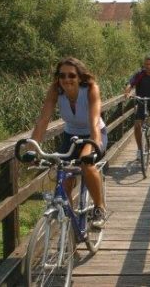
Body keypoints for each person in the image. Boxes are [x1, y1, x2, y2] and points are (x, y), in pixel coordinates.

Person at [30, 57, 108, 228]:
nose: (66, 79)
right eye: (62, 75)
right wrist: (32, 149)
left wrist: (94, 147)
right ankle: (70, 225)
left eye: (72, 75)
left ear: (80, 77)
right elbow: (43, 120)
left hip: (93, 133)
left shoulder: (90, 89)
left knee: (87, 164)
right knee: (63, 176)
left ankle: (99, 208)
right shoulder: (55, 90)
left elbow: (94, 121)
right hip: (70, 135)